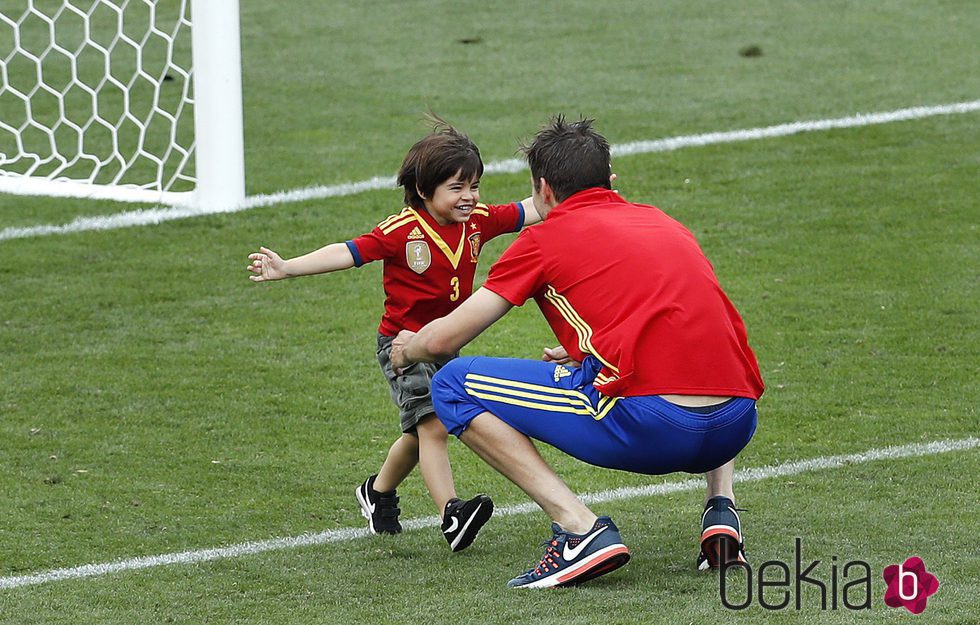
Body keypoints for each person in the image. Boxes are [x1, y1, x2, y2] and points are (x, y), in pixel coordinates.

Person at [390, 116, 765, 588]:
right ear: (610, 180)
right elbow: (676, 321)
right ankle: (721, 512)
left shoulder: (543, 239)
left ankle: (578, 529)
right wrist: (591, 353)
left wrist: (407, 350)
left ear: (543, 190)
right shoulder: (663, 221)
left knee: (451, 383)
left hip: (656, 428)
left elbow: (445, 339)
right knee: (704, 351)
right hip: (737, 423)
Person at [247, 118, 541, 552]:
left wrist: (586, 191)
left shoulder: (478, 222)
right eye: (457, 188)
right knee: (435, 424)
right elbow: (346, 252)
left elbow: (531, 209)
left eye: (474, 186)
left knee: (417, 432)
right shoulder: (401, 230)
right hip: (402, 347)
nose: (470, 197)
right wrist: (287, 266)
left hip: (444, 342)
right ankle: (452, 514)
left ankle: (377, 492)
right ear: (425, 191)